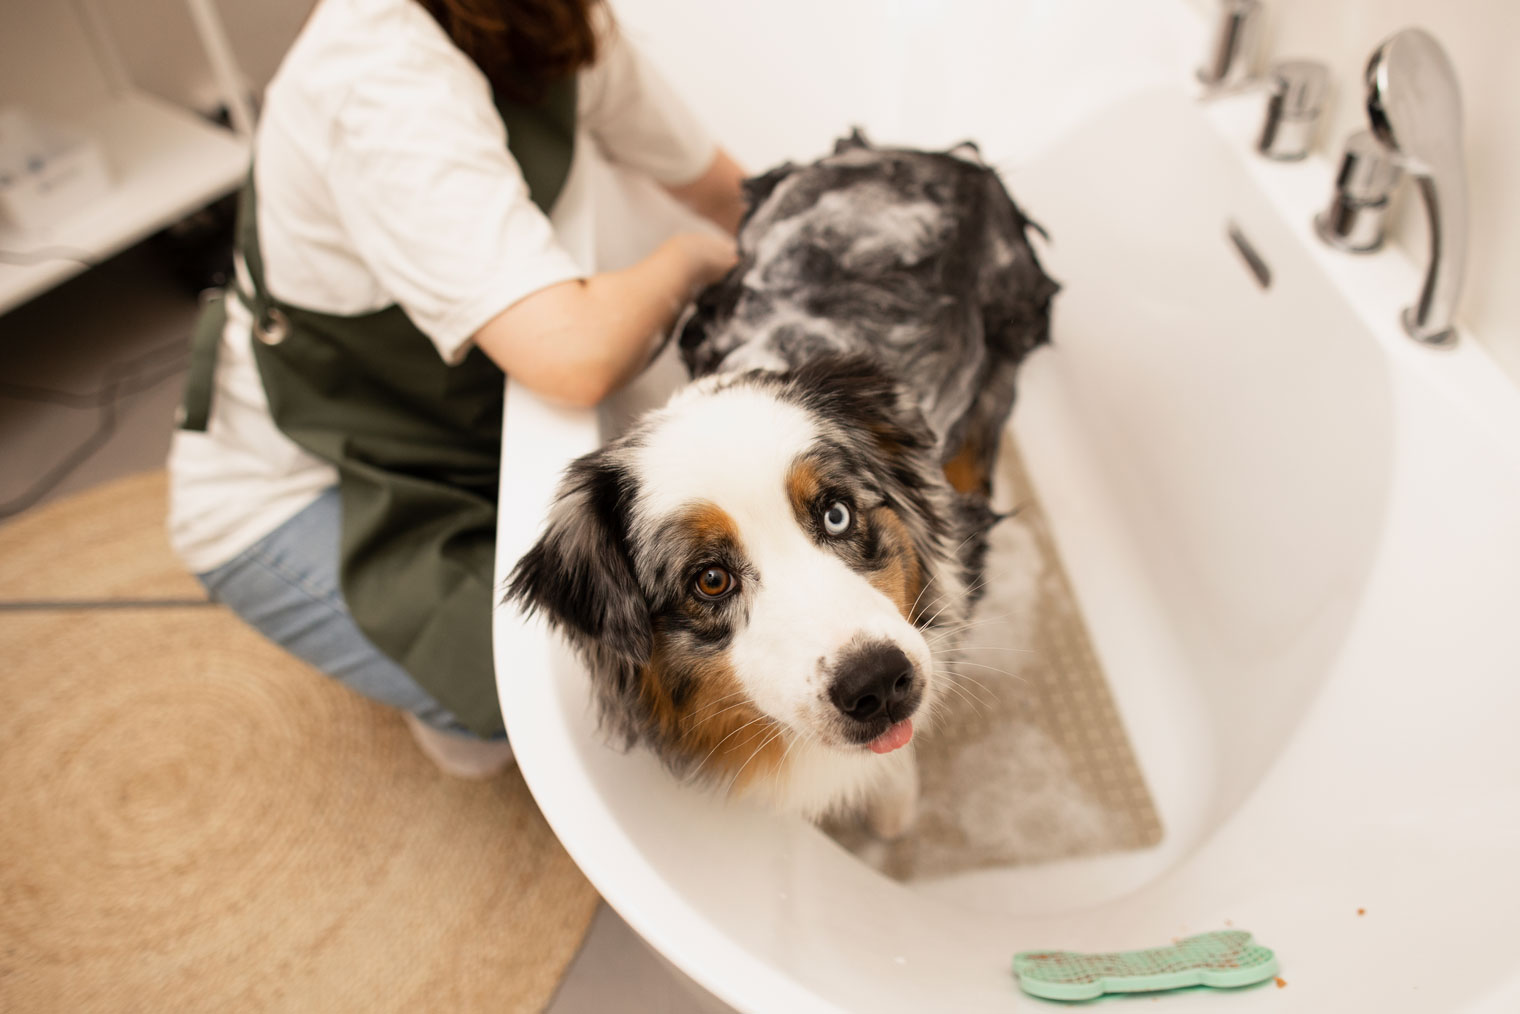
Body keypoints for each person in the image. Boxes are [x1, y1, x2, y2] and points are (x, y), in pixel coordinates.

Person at [167, 0, 744, 777]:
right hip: (299, 487)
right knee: (591, 696)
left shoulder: (547, 17)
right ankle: (461, 711)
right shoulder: (377, 74)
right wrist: (691, 258)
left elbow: (718, 184)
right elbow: (574, 355)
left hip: (454, 433)